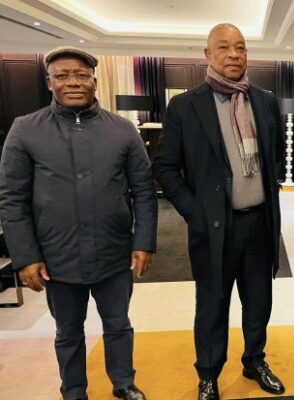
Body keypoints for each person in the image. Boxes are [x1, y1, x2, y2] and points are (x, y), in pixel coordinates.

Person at [0, 46, 157, 400]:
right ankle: (73, 390)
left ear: (94, 82)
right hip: (57, 257)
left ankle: (123, 382)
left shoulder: (122, 130)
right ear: (49, 83)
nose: (73, 82)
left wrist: (143, 242)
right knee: (68, 332)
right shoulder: (25, 130)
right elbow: (12, 198)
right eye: (62, 76)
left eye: (81, 75)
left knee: (118, 324)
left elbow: (144, 192)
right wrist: (25, 257)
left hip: (114, 252)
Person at [152, 23, 284, 400]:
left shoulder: (265, 101)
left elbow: (273, 157)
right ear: (208, 55)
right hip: (213, 228)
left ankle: (254, 360)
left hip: (259, 224)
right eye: (224, 47)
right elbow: (164, 167)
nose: (234, 54)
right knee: (212, 305)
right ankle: (208, 373)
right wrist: (193, 210)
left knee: (259, 303)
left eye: (240, 47)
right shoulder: (185, 106)